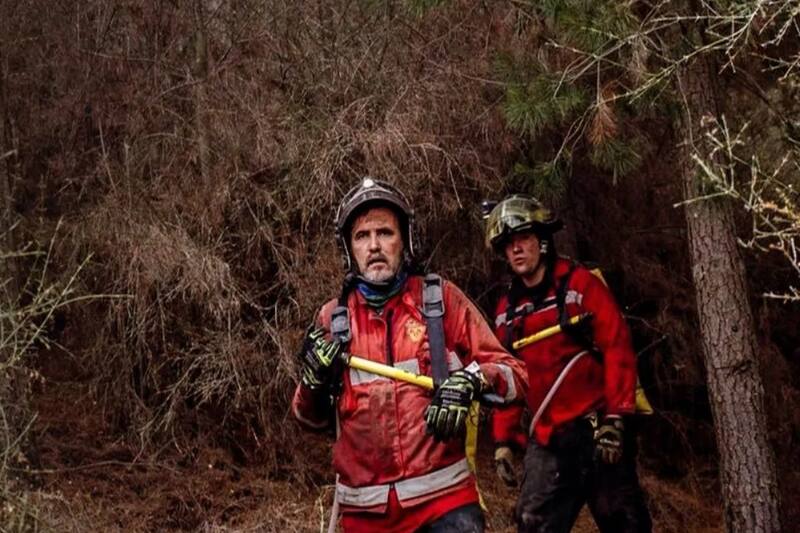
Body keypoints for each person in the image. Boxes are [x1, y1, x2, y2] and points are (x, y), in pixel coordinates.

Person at [292, 178, 527, 533]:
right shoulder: (331, 319)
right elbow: (307, 419)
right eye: (362, 236)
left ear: (405, 240)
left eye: (385, 233)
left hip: (443, 502)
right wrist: (311, 382)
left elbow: (516, 375)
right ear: (348, 249)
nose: (374, 246)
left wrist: (472, 380)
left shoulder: (440, 301)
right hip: (365, 513)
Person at [484, 194, 652, 533]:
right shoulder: (506, 312)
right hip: (548, 440)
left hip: (599, 430)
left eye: (524, 239)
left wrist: (617, 419)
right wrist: (503, 441)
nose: (516, 249)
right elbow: (507, 377)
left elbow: (617, 347)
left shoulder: (580, 286)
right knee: (533, 523)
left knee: (625, 521)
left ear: (543, 241)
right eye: (508, 244)